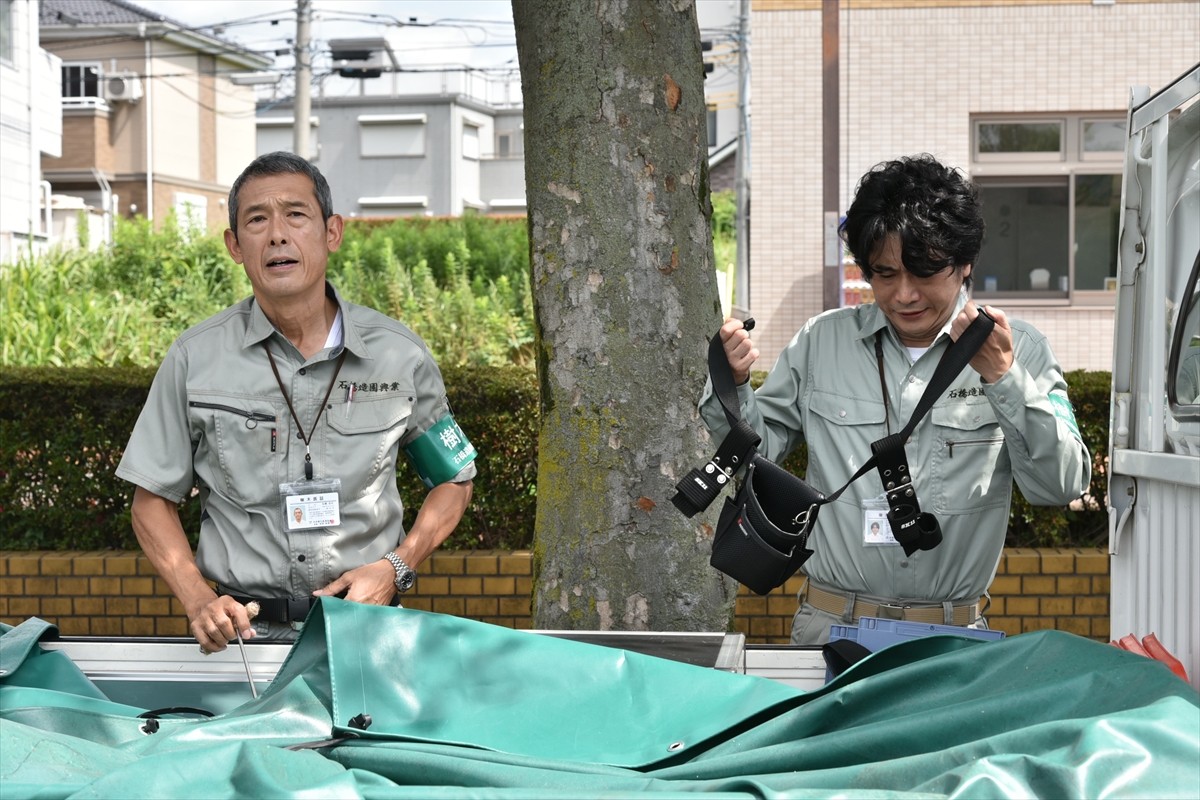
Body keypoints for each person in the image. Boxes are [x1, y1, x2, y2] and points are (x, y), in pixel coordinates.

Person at [700, 154, 1090, 644]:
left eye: (924, 272)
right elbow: (756, 459)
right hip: (832, 629)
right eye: (884, 274)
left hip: (953, 639)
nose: (904, 294)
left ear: (964, 263)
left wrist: (1004, 376)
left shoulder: (1019, 348)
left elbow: (1061, 484)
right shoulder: (821, 342)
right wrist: (732, 387)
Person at [116, 151, 477, 653]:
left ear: (332, 233)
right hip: (244, 641)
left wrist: (398, 566)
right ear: (235, 245)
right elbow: (150, 499)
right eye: (257, 220)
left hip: (367, 633)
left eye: (296, 214)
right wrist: (198, 598)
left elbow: (454, 480)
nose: (277, 234)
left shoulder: (399, 355)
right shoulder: (195, 359)